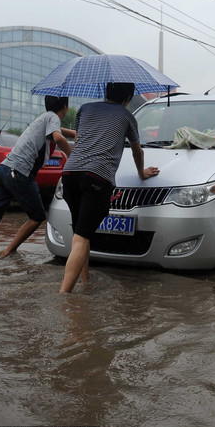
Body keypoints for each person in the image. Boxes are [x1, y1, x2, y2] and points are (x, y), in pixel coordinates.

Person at [59, 82, 159, 293]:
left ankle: (85, 282)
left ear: (106, 92)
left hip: (70, 174)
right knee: (82, 236)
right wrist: (142, 173)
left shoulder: (85, 108)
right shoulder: (127, 116)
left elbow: (80, 140)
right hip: (96, 177)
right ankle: (65, 296)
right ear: (129, 96)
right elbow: (137, 151)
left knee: (81, 232)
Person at [0, 95, 74, 259]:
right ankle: (7, 252)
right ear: (65, 106)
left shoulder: (44, 118)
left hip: (3, 170)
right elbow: (58, 137)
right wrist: (72, 158)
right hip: (19, 173)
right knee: (37, 217)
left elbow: (58, 132)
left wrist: (74, 133)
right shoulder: (53, 117)